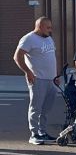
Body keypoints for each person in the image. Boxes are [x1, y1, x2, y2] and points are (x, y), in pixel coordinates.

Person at [13, 16, 59, 145]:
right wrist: (28, 72)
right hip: (38, 79)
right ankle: (34, 134)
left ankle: (42, 132)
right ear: (40, 26)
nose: (50, 30)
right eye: (48, 27)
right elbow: (17, 56)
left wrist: (56, 76)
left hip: (51, 80)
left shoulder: (49, 39)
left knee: (46, 108)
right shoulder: (29, 38)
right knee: (36, 107)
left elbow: (52, 58)